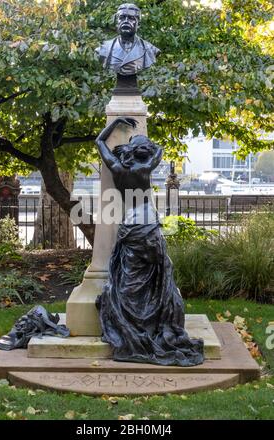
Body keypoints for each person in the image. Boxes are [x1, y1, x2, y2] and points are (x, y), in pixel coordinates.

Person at [95, 117, 204, 366]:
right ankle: (156, 321)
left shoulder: (117, 168)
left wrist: (116, 123)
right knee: (161, 275)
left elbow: (99, 141)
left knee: (130, 278)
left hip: (129, 229)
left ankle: (130, 322)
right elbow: (159, 152)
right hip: (148, 228)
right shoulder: (145, 170)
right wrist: (145, 142)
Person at [95, 4, 160, 76]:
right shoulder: (104, 49)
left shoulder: (150, 49)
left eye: (131, 18)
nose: (126, 21)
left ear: (138, 24)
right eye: (122, 17)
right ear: (117, 22)